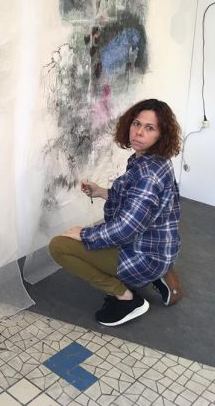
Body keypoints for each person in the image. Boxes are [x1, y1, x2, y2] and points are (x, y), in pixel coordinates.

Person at [49, 98, 183, 327]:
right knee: (94, 236)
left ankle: (127, 299)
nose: (139, 132)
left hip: (143, 253)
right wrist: (102, 192)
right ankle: (158, 273)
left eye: (149, 128)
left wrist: (84, 234)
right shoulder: (153, 161)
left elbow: (126, 229)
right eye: (136, 123)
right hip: (159, 245)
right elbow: (135, 202)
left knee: (59, 247)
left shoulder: (148, 175)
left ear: (161, 135)